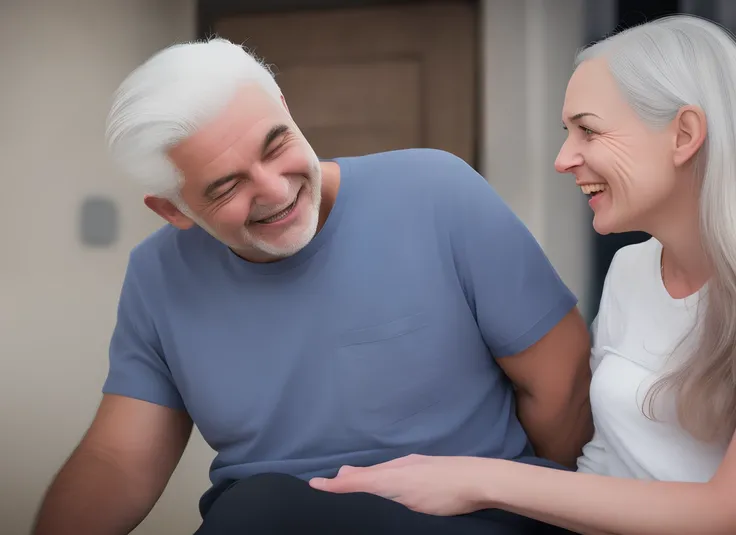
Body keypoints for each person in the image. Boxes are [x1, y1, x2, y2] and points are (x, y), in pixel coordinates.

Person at [30, 38, 592, 535]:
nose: (275, 189)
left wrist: (531, 503)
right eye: (227, 187)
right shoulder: (157, 275)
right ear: (173, 210)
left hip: (468, 514)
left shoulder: (437, 191)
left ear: (288, 111)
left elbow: (561, 383)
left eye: (275, 147)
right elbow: (119, 461)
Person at [310, 14, 736, 535]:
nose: (563, 159)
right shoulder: (631, 271)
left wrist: (478, 479)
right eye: (567, 133)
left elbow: (723, 512)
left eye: (589, 130)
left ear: (684, 134)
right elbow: (601, 463)